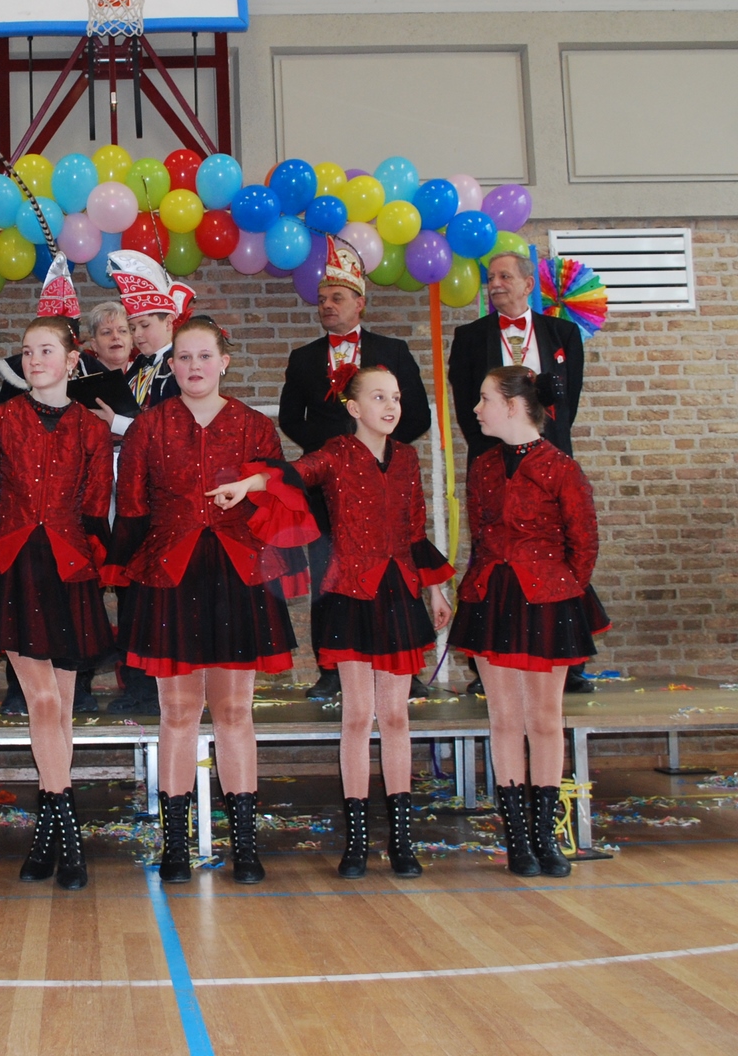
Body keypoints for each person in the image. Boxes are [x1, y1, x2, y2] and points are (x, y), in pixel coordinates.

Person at [217, 363, 453, 878]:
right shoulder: (338, 453)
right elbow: (294, 473)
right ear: (353, 407)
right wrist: (250, 481)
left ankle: (402, 840)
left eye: (395, 397)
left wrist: (435, 588)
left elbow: (415, 527)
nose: (390, 406)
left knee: (396, 717)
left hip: (398, 592)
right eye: (378, 397)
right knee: (357, 716)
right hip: (351, 592)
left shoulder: (408, 458)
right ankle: (357, 840)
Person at [109, 315, 317, 885]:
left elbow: (280, 494)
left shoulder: (253, 426)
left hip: (237, 577)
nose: (194, 366)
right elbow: (132, 506)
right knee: (176, 713)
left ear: (224, 362)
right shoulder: (149, 428)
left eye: (204, 356)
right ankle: (176, 844)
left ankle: (245, 844)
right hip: (170, 577)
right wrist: (125, 571)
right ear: (171, 365)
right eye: (183, 357)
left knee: (234, 712)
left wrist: (257, 497)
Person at [0, 313, 117, 889]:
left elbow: (96, 502)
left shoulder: (91, 430)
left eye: (46, 350)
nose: (34, 360)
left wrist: (92, 558)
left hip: (69, 567)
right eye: (27, 351)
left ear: (72, 359)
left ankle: (47, 837)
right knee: (45, 701)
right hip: (15, 567)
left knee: (63, 707)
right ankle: (70, 838)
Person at [450, 367, 606, 879]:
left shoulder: (561, 467)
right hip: (493, 597)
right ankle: (517, 837)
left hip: (547, 599)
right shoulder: (483, 466)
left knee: (544, 720)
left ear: (514, 406)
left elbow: (584, 543)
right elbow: (481, 534)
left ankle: (545, 835)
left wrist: (558, 589)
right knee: (504, 719)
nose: (476, 409)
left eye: (484, 399)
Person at [278, 237, 433, 701]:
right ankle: (331, 669)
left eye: (337, 297)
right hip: (325, 490)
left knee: (396, 572)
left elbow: (418, 415)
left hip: (383, 488)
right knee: (327, 573)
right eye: (322, 299)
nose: (327, 305)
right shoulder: (303, 358)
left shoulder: (393, 351)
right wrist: (335, 454)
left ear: (360, 303)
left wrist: (379, 453)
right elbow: (290, 419)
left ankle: (401, 669)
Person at [448, 248, 589, 694]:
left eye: (505, 276)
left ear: (529, 284)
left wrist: (542, 449)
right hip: (494, 462)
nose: (495, 284)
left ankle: (566, 658)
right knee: (494, 553)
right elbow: (467, 409)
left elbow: (568, 404)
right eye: (491, 277)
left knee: (560, 548)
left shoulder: (563, 333)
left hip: (549, 460)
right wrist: (499, 455)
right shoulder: (469, 337)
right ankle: (489, 663)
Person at [97, 250, 197, 718]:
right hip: (130, 494)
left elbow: (173, 430)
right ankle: (136, 684)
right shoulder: (137, 369)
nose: (136, 334)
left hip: (165, 499)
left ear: (169, 320)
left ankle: (166, 688)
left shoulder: (181, 368)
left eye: (143, 325)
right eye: (132, 326)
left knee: (163, 595)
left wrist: (116, 422)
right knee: (132, 592)